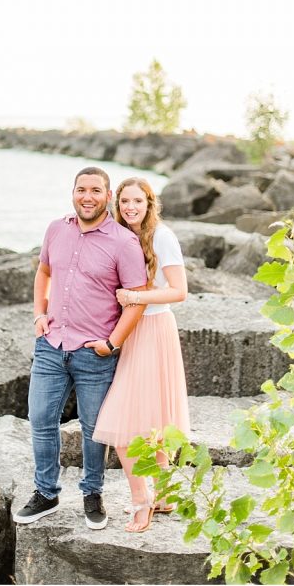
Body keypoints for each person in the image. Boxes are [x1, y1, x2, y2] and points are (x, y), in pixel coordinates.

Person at [13, 167, 149, 530]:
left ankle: (93, 493)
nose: (87, 196)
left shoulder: (124, 242)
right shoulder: (56, 229)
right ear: (73, 193)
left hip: (95, 352)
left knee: (94, 429)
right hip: (51, 345)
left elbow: (137, 300)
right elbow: (43, 271)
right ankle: (46, 493)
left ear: (107, 196)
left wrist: (111, 343)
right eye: (81, 190)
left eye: (95, 191)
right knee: (41, 420)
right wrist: (39, 313)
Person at [93, 176, 190, 532]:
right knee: (151, 421)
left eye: (138, 201)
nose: (130, 207)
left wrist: (136, 297)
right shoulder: (120, 235)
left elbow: (179, 291)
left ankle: (141, 502)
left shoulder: (162, 236)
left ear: (150, 203)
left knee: (122, 427)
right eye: (124, 202)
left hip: (153, 330)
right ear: (116, 205)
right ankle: (165, 493)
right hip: (129, 330)